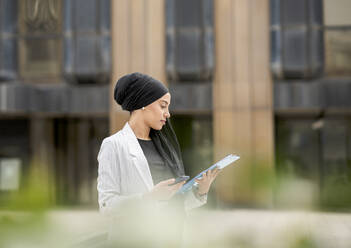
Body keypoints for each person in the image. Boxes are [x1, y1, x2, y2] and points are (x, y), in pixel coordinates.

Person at [97, 72, 220, 246]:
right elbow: (106, 206)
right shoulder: (113, 145)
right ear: (143, 104)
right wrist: (148, 198)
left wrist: (201, 190)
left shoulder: (164, 146)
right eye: (163, 106)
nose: (168, 114)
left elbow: (173, 204)